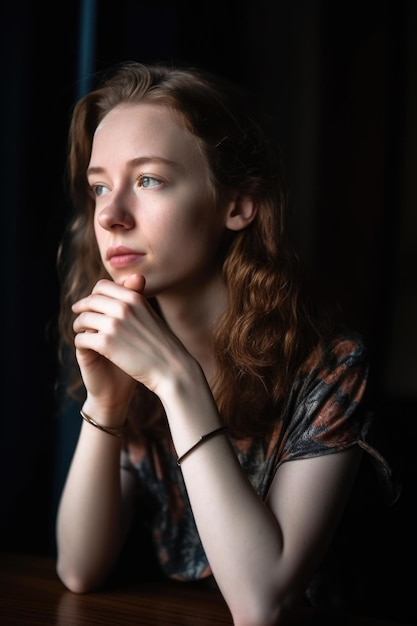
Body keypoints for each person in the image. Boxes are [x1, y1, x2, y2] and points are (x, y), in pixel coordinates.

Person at [55, 61, 396, 625]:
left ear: (237, 205)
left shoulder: (330, 365)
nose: (111, 216)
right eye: (99, 187)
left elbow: (263, 605)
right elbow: (79, 568)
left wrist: (176, 379)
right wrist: (106, 405)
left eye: (148, 180)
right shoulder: (130, 347)